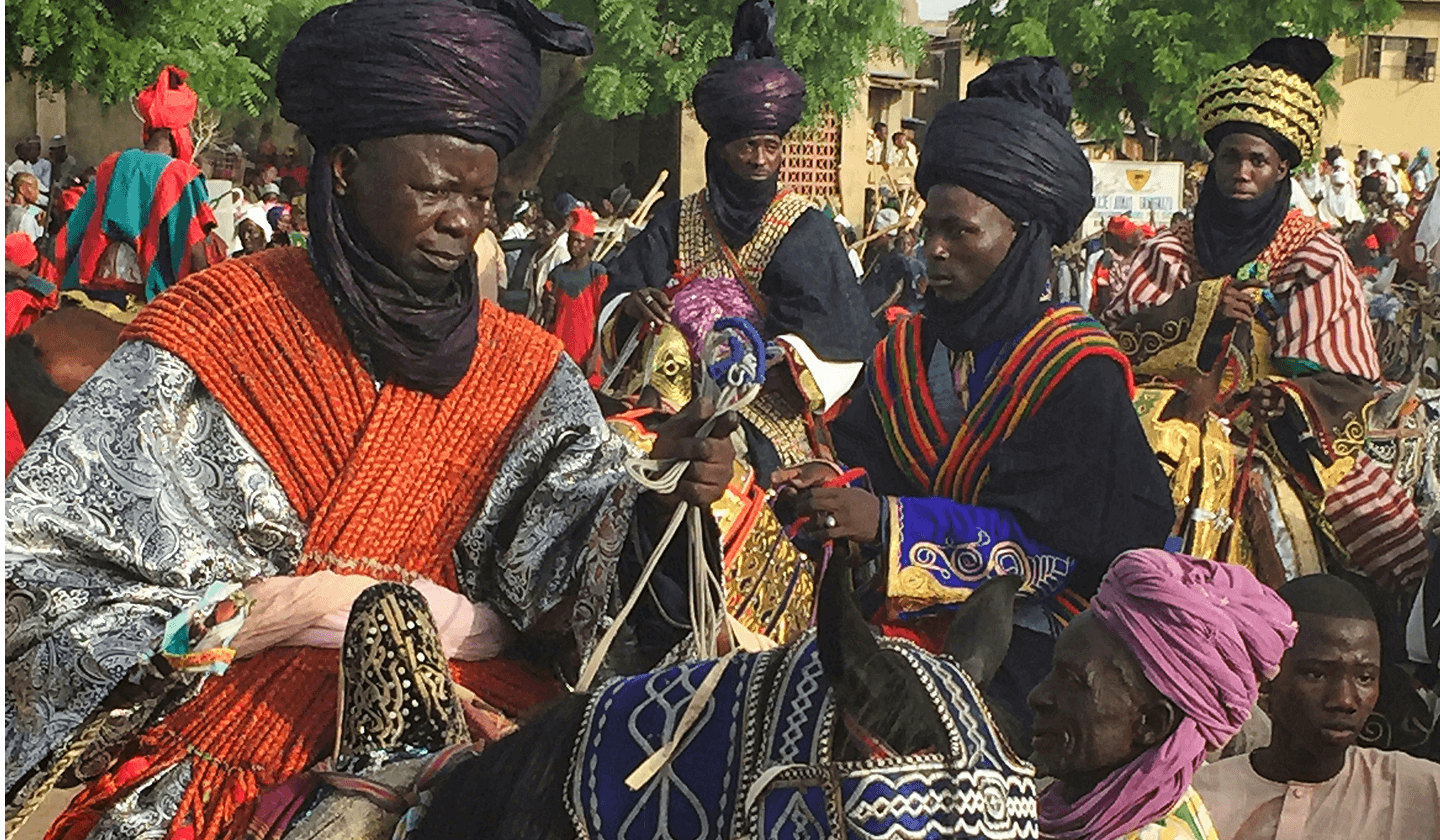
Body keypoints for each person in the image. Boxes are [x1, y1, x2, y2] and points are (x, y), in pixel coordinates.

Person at [5, 3, 737, 839]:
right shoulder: (218, 322)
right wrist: (258, 613)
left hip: (476, 714)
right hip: (232, 725)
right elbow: (46, 566)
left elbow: (569, 567)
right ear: (346, 168)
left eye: (482, 195)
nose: (463, 219)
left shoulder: (526, 366)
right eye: (435, 188)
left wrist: (654, 494)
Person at [786, 56, 1174, 733]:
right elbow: (863, 459)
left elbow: (1058, 552)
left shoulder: (1077, 370)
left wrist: (886, 522)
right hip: (900, 616)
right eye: (928, 228)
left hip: (1042, 638)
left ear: (1024, 238)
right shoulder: (905, 349)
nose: (930, 251)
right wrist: (827, 482)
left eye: (959, 231)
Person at [1102, 38, 1425, 589]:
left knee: (1387, 536)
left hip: (1279, 440)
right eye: (1231, 157)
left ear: (1282, 170)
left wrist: (1290, 397)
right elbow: (1109, 346)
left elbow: (1348, 378)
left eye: (1259, 160)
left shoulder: (1314, 256)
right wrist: (1198, 309)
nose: (1242, 172)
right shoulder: (1167, 252)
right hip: (1163, 430)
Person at [602, 0, 876, 464]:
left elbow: (839, 334)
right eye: (748, 146)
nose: (760, 160)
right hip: (673, 401)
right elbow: (621, 290)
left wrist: (768, 356)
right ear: (721, 151)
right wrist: (631, 304)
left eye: (771, 147)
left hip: (767, 412)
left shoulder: (806, 227)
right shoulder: (676, 219)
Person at [1029, 549, 1296, 840]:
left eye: (1074, 683)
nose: (1039, 696)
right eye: (1053, 672)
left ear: (1151, 724)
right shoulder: (1081, 811)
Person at [1193, 574, 1440, 840]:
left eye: (1364, 678)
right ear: (1265, 678)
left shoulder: (1423, 794)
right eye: (1316, 674)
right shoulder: (1197, 801)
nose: (1344, 700)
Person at [55, 66, 222, 309]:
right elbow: (195, 247)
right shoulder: (180, 175)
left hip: (95, 282)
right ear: (179, 133)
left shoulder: (111, 164)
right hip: (151, 293)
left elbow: (76, 228)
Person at [541, 206, 608, 379]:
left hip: (586, 353)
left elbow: (603, 319)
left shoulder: (597, 274)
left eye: (580, 241)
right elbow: (548, 317)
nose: (574, 245)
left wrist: (596, 355)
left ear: (590, 243)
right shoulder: (557, 274)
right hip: (560, 351)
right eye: (571, 240)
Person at [8, 134, 53, 209]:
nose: (33, 152)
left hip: (37, 198)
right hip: (23, 200)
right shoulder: (16, 166)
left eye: (36, 149)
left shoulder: (42, 164)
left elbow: (44, 187)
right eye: (30, 150)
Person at [7, 172, 46, 241]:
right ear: (22, 189)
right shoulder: (26, 218)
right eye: (34, 188)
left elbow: (30, 209)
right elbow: (31, 243)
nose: (37, 192)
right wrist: (41, 226)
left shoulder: (8, 208)